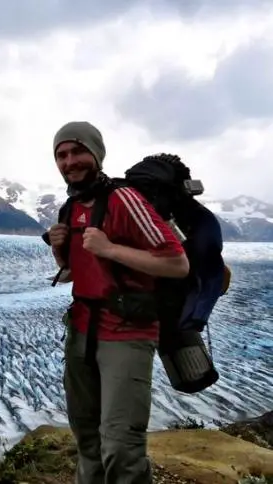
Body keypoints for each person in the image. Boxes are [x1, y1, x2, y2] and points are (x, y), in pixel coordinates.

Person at [47, 121, 190, 484]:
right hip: (80, 331)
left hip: (127, 333)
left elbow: (177, 264)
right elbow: (75, 271)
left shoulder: (123, 199)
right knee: (87, 439)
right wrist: (60, 251)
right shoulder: (71, 206)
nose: (69, 161)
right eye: (61, 155)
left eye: (77, 151)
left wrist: (110, 248)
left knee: (121, 447)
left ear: (96, 153)